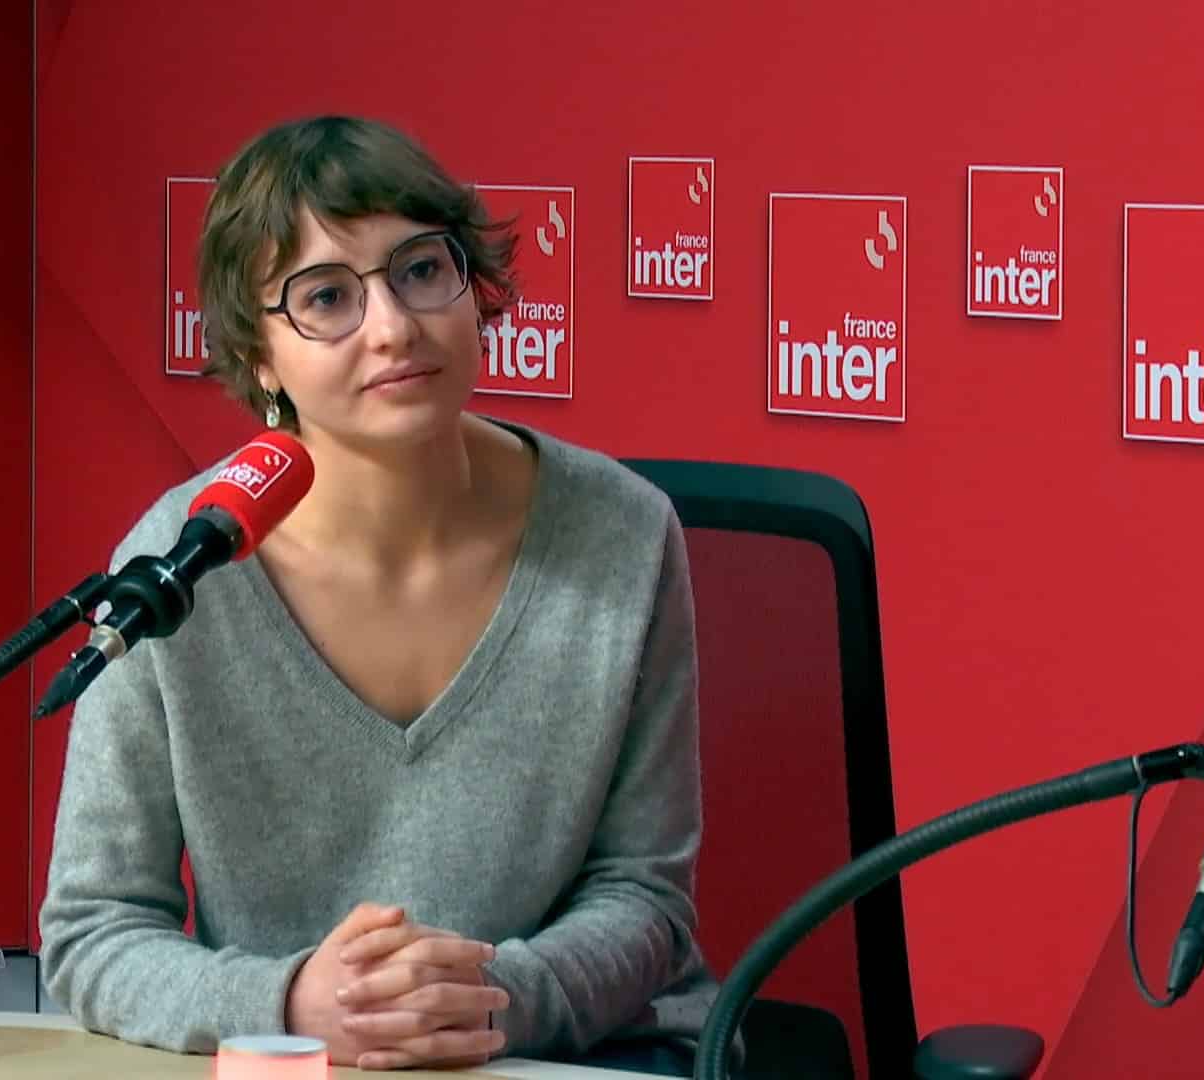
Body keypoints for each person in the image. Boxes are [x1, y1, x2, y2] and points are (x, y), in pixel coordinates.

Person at [39, 115, 726, 1076]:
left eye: (420, 270)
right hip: (302, 1064)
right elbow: (93, 929)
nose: (395, 326)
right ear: (259, 356)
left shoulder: (623, 532)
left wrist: (480, 999)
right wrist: (287, 1005)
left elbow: (644, 895)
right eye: (326, 296)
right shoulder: (177, 568)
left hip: (578, 1055)